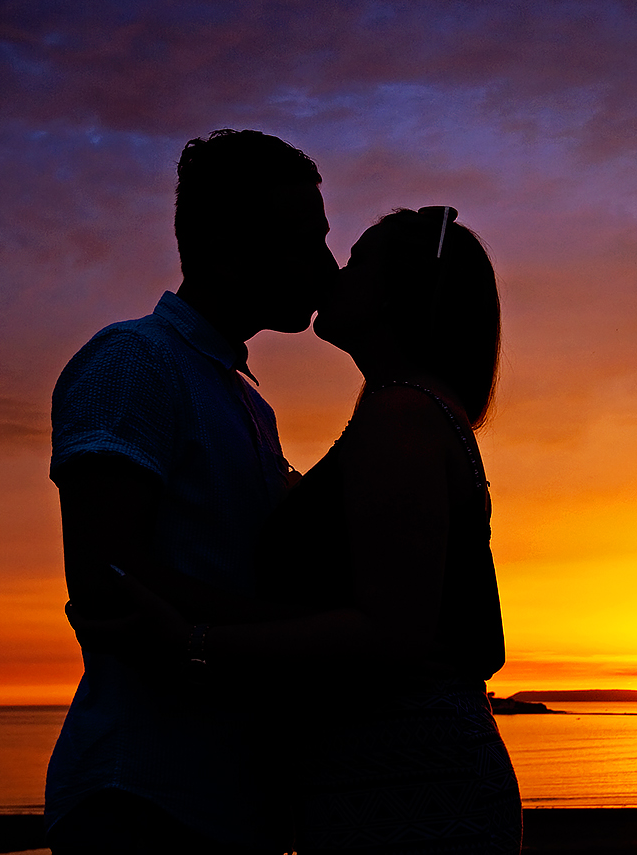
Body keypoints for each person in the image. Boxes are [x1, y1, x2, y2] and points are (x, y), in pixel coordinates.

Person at [93, 206, 522, 854]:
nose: (332, 272)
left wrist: (192, 641)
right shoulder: (410, 411)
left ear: (394, 295)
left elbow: (389, 632)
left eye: (356, 262)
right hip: (388, 771)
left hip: (407, 776)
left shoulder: (402, 416)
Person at [44, 129, 337, 854]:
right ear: (224, 251)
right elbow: (105, 574)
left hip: (224, 802)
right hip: (143, 801)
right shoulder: (132, 362)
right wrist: (304, 632)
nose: (327, 268)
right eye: (303, 241)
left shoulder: (241, 398)